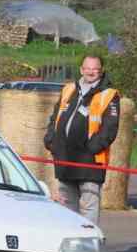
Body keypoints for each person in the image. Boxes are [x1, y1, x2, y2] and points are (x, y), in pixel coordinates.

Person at [44, 56, 120, 225]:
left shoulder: (108, 94)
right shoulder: (69, 89)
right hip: (65, 157)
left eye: (95, 69)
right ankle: (68, 242)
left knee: (88, 206)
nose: (91, 72)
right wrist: (51, 140)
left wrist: (92, 148)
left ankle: (88, 243)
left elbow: (110, 128)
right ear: (81, 69)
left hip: (90, 160)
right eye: (88, 68)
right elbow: (55, 117)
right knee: (66, 205)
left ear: (101, 71)